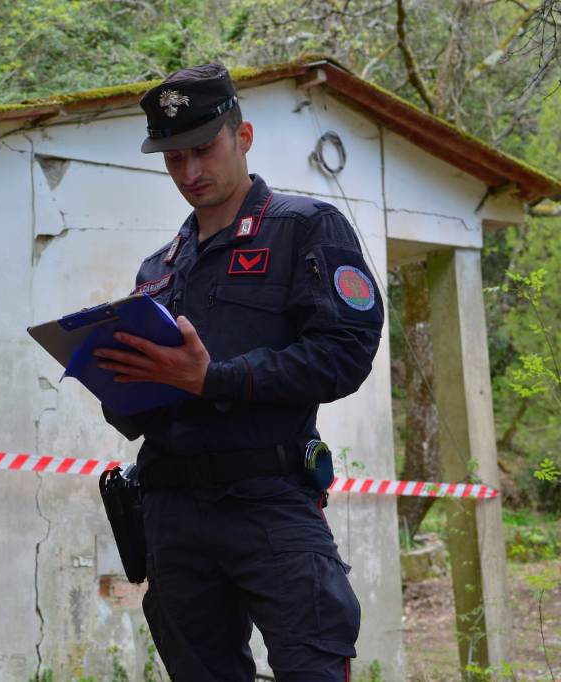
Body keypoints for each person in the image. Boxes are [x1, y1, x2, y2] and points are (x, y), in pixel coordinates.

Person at [94, 63, 383, 680]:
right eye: (174, 158)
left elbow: (345, 352)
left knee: (313, 667)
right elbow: (135, 406)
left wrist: (213, 379)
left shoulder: (305, 228)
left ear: (243, 136)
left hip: (269, 500)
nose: (190, 171)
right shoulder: (157, 270)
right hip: (171, 511)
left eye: (204, 149)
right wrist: (117, 381)